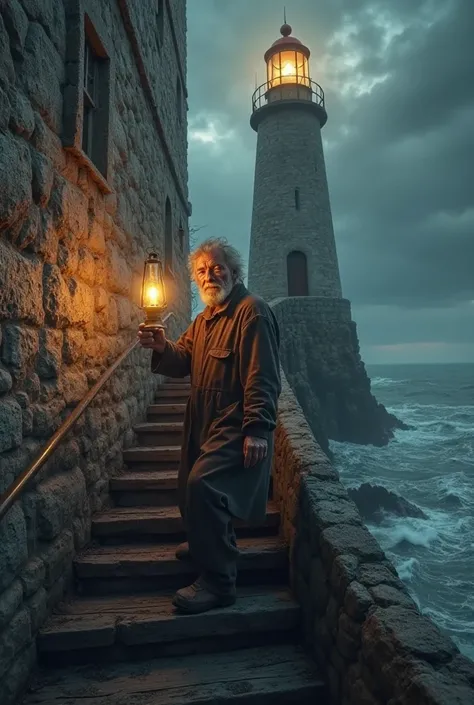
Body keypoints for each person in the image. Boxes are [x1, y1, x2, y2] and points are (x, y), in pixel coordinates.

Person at [138, 237, 281, 614]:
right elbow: (182, 357)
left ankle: (219, 583)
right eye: (201, 271)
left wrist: (257, 429)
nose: (208, 276)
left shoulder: (253, 312)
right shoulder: (204, 320)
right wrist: (160, 347)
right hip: (202, 419)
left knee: (205, 486)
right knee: (189, 487)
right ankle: (207, 544)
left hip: (235, 421)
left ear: (234, 272)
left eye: (216, 268)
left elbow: (262, 376)